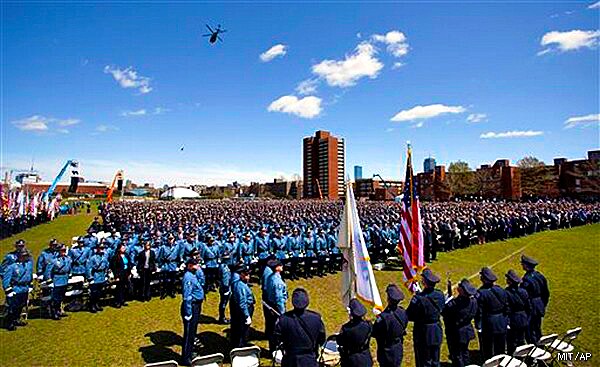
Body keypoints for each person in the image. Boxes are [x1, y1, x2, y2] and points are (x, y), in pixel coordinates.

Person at [273, 288, 326, 367]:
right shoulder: (316, 318)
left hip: (290, 360)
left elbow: (276, 339)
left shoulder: (283, 319)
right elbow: (322, 338)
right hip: (310, 360)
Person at [407, 269, 445, 367]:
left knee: (424, 361)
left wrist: (418, 296)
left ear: (424, 282)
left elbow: (409, 315)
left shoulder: (419, 299)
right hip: (436, 330)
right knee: (435, 360)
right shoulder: (440, 294)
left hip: (423, 332)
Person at [442, 279, 478, 367]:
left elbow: (444, 313)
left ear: (462, 290)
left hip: (456, 333)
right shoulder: (473, 301)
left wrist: (447, 301)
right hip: (467, 331)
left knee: (457, 355)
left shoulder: (455, 304)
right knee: (465, 352)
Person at [475, 267, 509, 360]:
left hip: (488, 323)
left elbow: (479, 311)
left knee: (487, 347)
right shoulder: (501, 289)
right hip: (502, 320)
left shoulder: (481, 293)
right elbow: (507, 306)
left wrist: (478, 325)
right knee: (501, 345)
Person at [372, 284, 408, 367]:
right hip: (398, 348)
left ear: (388, 299)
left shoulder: (384, 317)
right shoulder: (403, 312)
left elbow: (374, 333)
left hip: (386, 351)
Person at [181, 258, 205, 366]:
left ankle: (190, 352)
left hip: (196, 305)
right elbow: (187, 297)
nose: (198, 266)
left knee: (192, 332)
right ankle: (186, 358)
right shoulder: (188, 277)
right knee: (189, 334)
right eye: (195, 265)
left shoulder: (193, 274)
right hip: (192, 306)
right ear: (190, 266)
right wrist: (188, 313)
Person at [520, 255, 549, 343]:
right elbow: (546, 293)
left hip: (531, 306)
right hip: (539, 304)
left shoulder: (526, 279)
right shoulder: (540, 276)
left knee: (530, 330)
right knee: (537, 327)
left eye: (523, 264)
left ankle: (533, 350)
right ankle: (540, 345)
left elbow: (524, 296)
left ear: (526, 265)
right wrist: (542, 304)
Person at [2, 249, 33, 331]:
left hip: (24, 288)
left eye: (26, 256)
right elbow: (6, 279)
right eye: (24, 256)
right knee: (13, 307)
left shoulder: (28, 264)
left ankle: (16, 319)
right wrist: (8, 290)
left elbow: (29, 275)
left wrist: (30, 284)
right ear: (19, 256)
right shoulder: (12, 266)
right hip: (16, 289)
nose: (25, 257)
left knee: (21, 306)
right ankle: (9, 322)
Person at [337, 298, 373, 367]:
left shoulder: (346, 328)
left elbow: (340, 342)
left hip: (351, 360)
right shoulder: (369, 325)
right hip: (365, 358)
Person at [229, 264, 255, 348]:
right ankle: (240, 346)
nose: (249, 277)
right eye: (247, 275)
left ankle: (241, 343)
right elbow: (242, 303)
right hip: (244, 310)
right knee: (242, 330)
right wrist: (247, 316)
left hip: (243, 309)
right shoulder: (241, 286)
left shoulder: (242, 284)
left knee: (241, 329)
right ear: (241, 275)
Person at [505, 269, 530, 354]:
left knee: (511, 341)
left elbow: (507, 308)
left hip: (513, 319)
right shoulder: (524, 291)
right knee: (521, 339)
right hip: (523, 318)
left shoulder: (507, 292)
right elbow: (528, 306)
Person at [265, 259, 288, 352]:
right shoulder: (277, 281)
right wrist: (282, 313)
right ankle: (276, 348)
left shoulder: (270, 277)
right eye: (280, 265)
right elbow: (279, 298)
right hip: (277, 307)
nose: (282, 267)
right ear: (277, 268)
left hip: (271, 304)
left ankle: (272, 348)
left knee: (271, 328)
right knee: (278, 329)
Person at [48, 244, 72, 320]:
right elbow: (48, 271)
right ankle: (53, 312)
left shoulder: (68, 259)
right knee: (55, 298)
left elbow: (69, 267)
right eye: (62, 250)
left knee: (61, 296)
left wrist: (69, 274)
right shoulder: (54, 261)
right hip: (57, 279)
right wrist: (49, 280)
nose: (63, 252)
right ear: (58, 251)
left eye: (64, 250)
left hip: (65, 279)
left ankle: (59, 310)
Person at [86, 243, 109, 313]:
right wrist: (90, 277)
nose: (102, 250)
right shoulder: (93, 258)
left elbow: (106, 265)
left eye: (103, 248)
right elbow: (89, 268)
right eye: (101, 248)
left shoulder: (104, 257)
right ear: (97, 249)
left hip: (101, 275)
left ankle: (97, 304)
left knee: (99, 292)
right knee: (94, 292)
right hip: (95, 275)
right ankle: (92, 305)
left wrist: (106, 273)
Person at [158, 234, 180, 299]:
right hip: (166, 265)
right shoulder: (163, 247)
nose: (170, 240)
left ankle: (171, 292)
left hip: (173, 264)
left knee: (173, 280)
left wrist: (178, 264)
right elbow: (160, 257)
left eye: (172, 238)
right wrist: (160, 265)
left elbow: (178, 256)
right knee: (165, 280)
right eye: (169, 238)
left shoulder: (177, 246)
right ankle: (164, 292)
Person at [110, 243, 132, 308]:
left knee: (123, 288)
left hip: (125, 273)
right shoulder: (116, 257)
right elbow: (114, 267)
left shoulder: (126, 255)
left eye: (124, 248)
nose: (124, 249)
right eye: (122, 248)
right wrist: (116, 276)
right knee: (119, 288)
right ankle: (117, 302)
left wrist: (129, 273)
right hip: (120, 274)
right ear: (119, 249)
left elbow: (129, 264)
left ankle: (122, 300)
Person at [218, 260, 232, 324]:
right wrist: (226, 289)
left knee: (223, 302)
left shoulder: (223, 266)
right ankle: (222, 318)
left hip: (223, 286)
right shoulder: (224, 268)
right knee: (224, 302)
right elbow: (225, 279)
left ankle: (222, 317)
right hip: (225, 288)